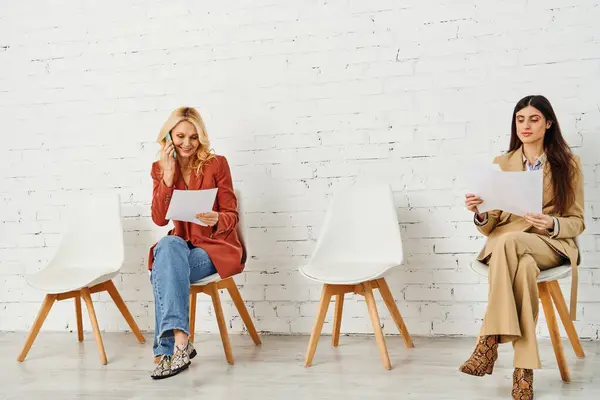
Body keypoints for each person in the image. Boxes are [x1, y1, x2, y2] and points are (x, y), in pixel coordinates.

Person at [460, 95, 585, 400]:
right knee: (521, 264)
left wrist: (551, 224)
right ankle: (523, 372)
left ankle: (488, 341)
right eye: (520, 119)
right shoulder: (502, 164)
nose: (526, 125)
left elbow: (577, 221)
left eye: (534, 119)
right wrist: (480, 212)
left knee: (508, 242)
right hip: (512, 247)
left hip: (548, 243)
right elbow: (492, 223)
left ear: (548, 123)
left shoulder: (568, 164)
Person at [148, 106, 244, 379]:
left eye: (193, 137)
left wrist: (217, 218)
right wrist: (167, 177)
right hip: (181, 247)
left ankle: (164, 352)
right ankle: (180, 343)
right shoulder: (159, 169)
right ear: (168, 137)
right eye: (180, 136)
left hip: (214, 249)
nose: (187, 143)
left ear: (201, 137)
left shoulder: (217, 164)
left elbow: (231, 215)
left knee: (162, 269)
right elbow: (158, 219)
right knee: (167, 246)